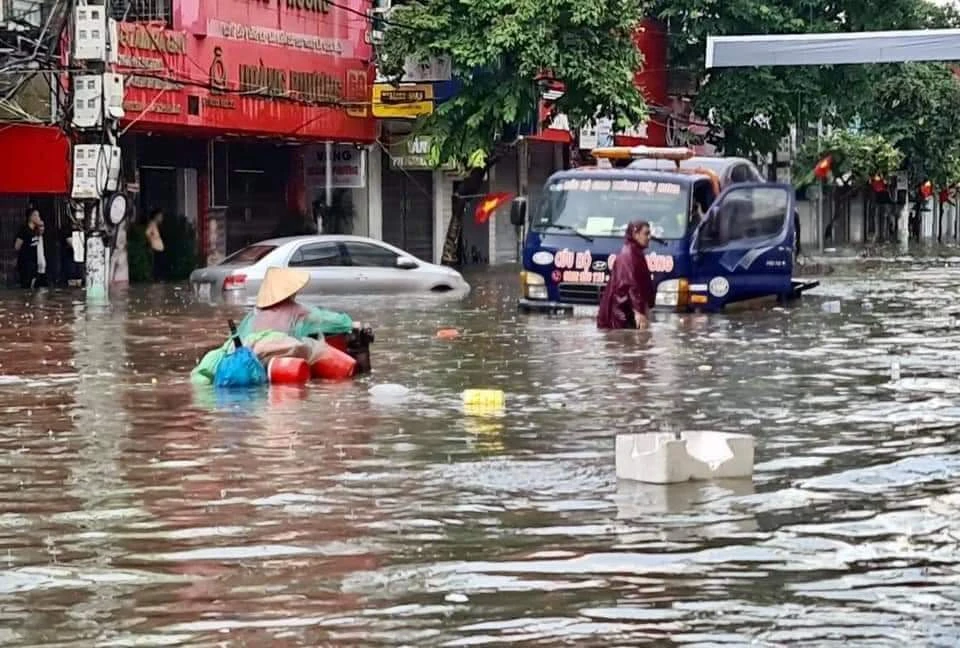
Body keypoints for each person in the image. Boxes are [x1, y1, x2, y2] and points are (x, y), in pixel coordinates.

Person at [597, 220, 657, 330]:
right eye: (646, 233)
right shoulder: (628, 255)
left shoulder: (636, 253)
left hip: (628, 312)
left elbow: (642, 283)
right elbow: (629, 284)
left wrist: (647, 306)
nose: (649, 237)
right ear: (635, 234)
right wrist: (639, 311)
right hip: (620, 315)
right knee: (624, 343)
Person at [14, 208, 47, 289]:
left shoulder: (35, 230)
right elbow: (17, 246)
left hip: (34, 262)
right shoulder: (24, 230)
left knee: (33, 283)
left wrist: (41, 226)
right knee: (26, 284)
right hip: (25, 262)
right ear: (31, 217)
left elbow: (41, 234)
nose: (38, 218)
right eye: (36, 215)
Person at [145, 208, 165, 281]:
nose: (161, 218)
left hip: (159, 249)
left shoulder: (156, 225)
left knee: (160, 267)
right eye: (160, 216)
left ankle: (159, 280)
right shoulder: (152, 224)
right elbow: (147, 233)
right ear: (156, 216)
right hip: (156, 249)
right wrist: (150, 244)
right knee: (157, 268)